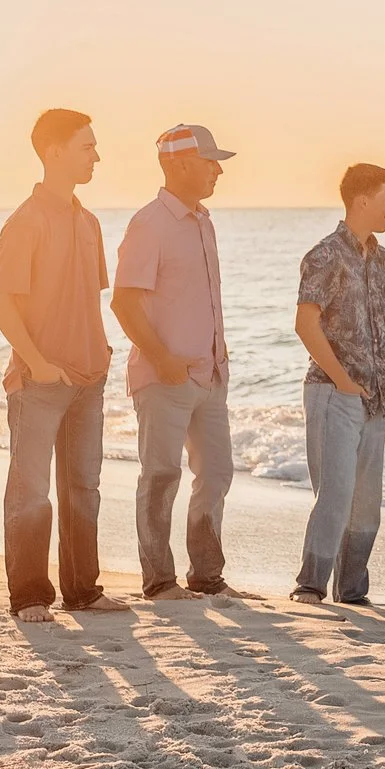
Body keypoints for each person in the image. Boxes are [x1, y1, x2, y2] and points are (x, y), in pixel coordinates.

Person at [0, 108, 128, 624]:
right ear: (54, 153)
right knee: (31, 494)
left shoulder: (88, 221)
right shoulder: (26, 221)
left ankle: (83, 592)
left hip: (90, 379)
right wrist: (40, 364)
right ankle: (28, 597)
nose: (97, 156)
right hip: (39, 382)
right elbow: (1, 300)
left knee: (83, 489)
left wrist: (102, 355)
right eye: (87, 146)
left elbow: (86, 299)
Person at [110, 124, 239, 602]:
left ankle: (206, 577)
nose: (217, 170)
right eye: (209, 161)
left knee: (217, 473)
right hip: (165, 377)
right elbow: (123, 302)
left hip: (210, 375)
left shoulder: (204, 221)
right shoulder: (150, 224)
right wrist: (163, 360)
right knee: (161, 475)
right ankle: (159, 582)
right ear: (179, 164)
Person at [292, 163, 385, 604]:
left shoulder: (382, 258)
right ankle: (310, 585)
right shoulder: (325, 255)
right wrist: (344, 382)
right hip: (332, 392)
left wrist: (378, 390)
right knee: (334, 496)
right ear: (362, 201)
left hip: (375, 400)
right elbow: (305, 324)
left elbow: (380, 328)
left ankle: (353, 591)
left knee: (366, 506)